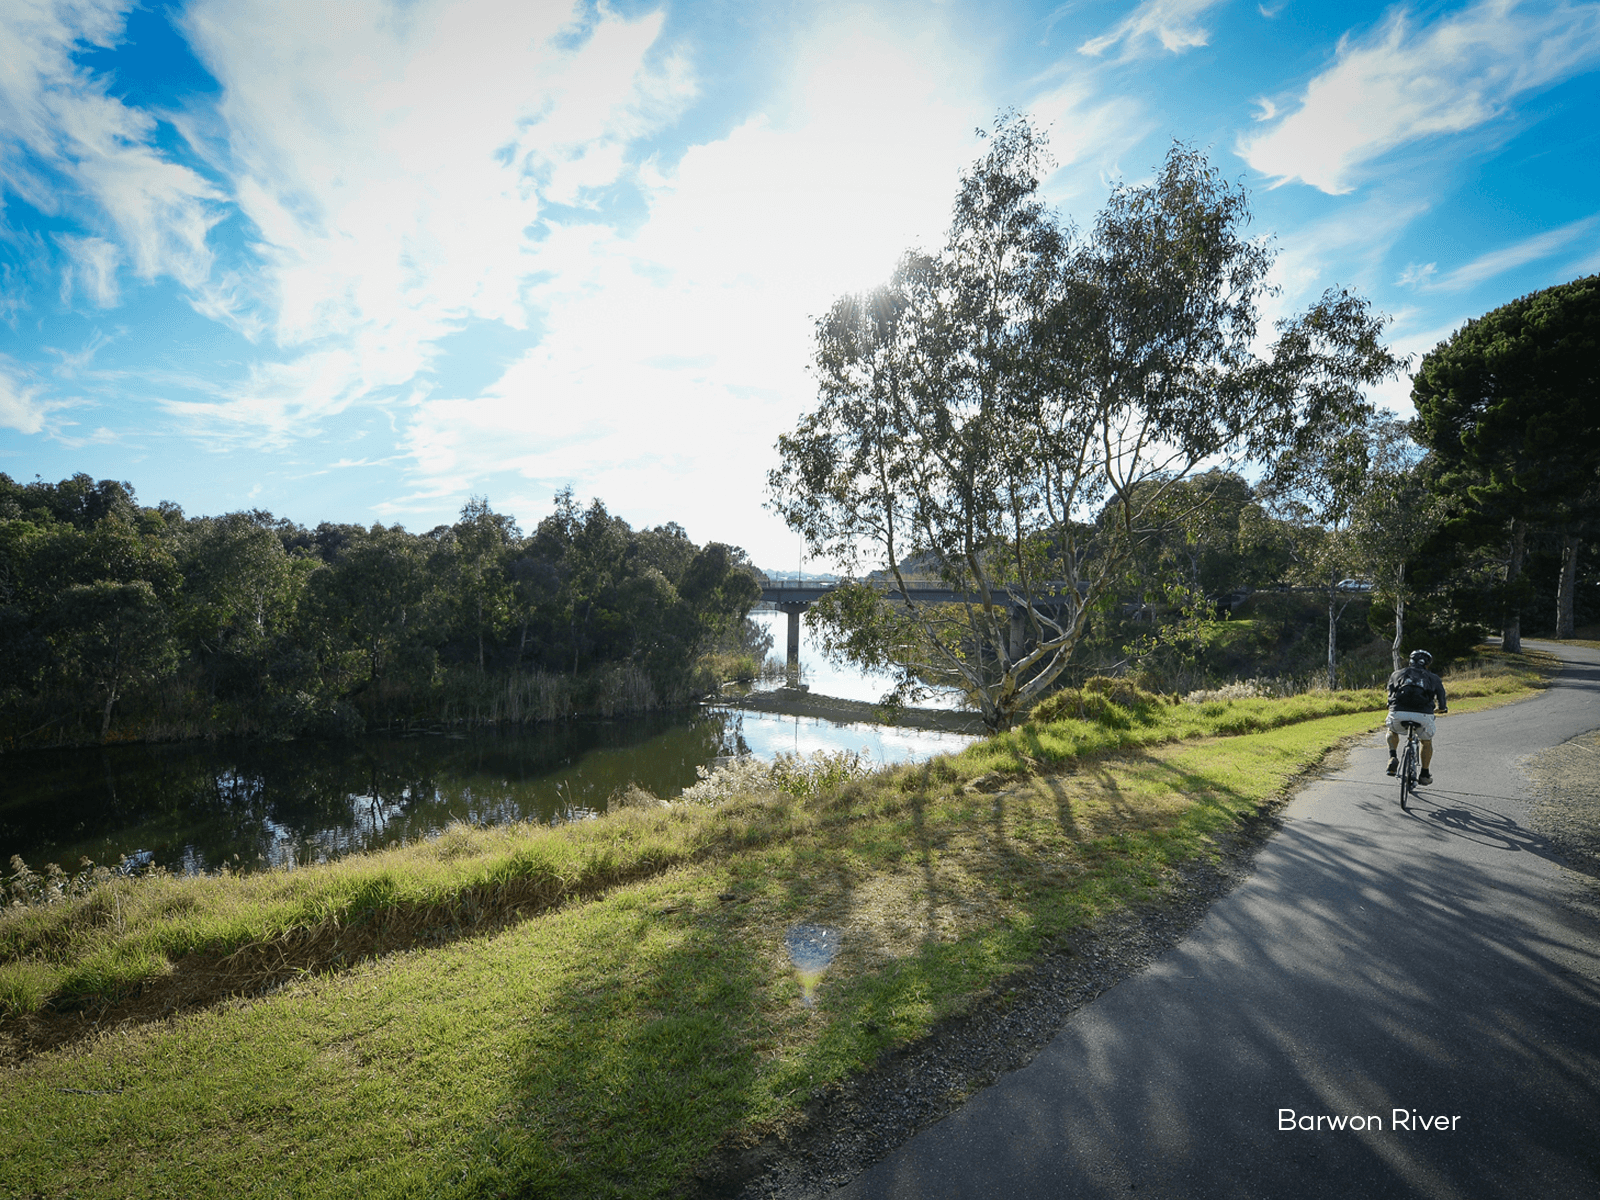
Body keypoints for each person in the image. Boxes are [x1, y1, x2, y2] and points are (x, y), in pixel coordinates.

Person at [1386, 649, 1448, 785]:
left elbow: (1390, 696)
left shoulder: (1397, 673)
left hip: (1398, 713)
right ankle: (1424, 774)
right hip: (1423, 715)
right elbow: (1441, 697)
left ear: (1410, 660)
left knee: (1392, 730)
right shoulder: (1433, 677)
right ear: (1427, 664)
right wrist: (1442, 708)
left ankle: (1392, 757)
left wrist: (1391, 706)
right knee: (1426, 741)